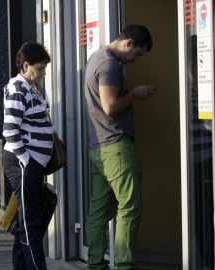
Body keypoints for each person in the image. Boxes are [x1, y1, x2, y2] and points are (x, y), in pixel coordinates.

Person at [83, 24, 155, 270]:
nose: (136, 59)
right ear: (129, 42)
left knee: (99, 212)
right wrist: (135, 94)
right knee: (130, 207)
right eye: (138, 53)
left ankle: (95, 265)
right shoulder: (109, 64)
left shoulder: (96, 58)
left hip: (99, 148)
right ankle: (124, 266)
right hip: (115, 147)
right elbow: (110, 106)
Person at [2, 42, 53, 270]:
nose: (43, 73)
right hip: (23, 162)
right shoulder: (18, 88)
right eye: (40, 68)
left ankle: (21, 266)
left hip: (30, 163)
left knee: (30, 216)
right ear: (25, 65)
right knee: (30, 219)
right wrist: (27, 160)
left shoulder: (30, 88)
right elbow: (10, 130)